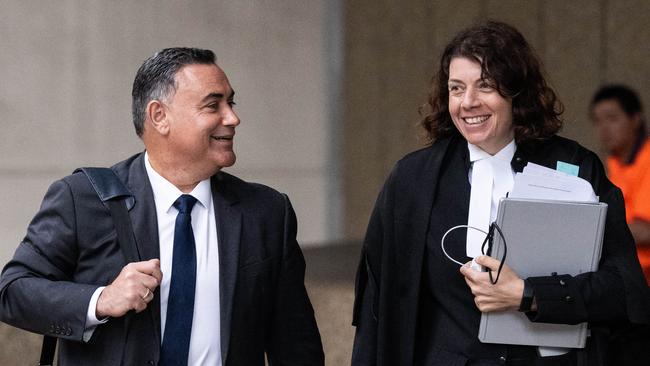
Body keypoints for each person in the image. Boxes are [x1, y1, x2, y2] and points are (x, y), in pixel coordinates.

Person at [0, 48, 324, 366]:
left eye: (231, 102)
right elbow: (12, 291)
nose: (233, 118)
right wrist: (100, 300)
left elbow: (296, 345)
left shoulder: (267, 213)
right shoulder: (82, 198)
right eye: (214, 105)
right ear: (160, 116)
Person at [351, 21, 650, 366]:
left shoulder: (577, 167)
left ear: (516, 91)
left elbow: (625, 291)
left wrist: (530, 295)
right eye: (456, 88)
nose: (468, 102)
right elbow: (376, 309)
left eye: (486, 86)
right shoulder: (412, 179)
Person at [591, 85, 650, 284]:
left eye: (612, 118)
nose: (604, 128)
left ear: (636, 119)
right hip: (625, 276)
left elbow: (644, 230)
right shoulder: (614, 163)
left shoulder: (647, 158)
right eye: (598, 121)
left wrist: (591, 232)